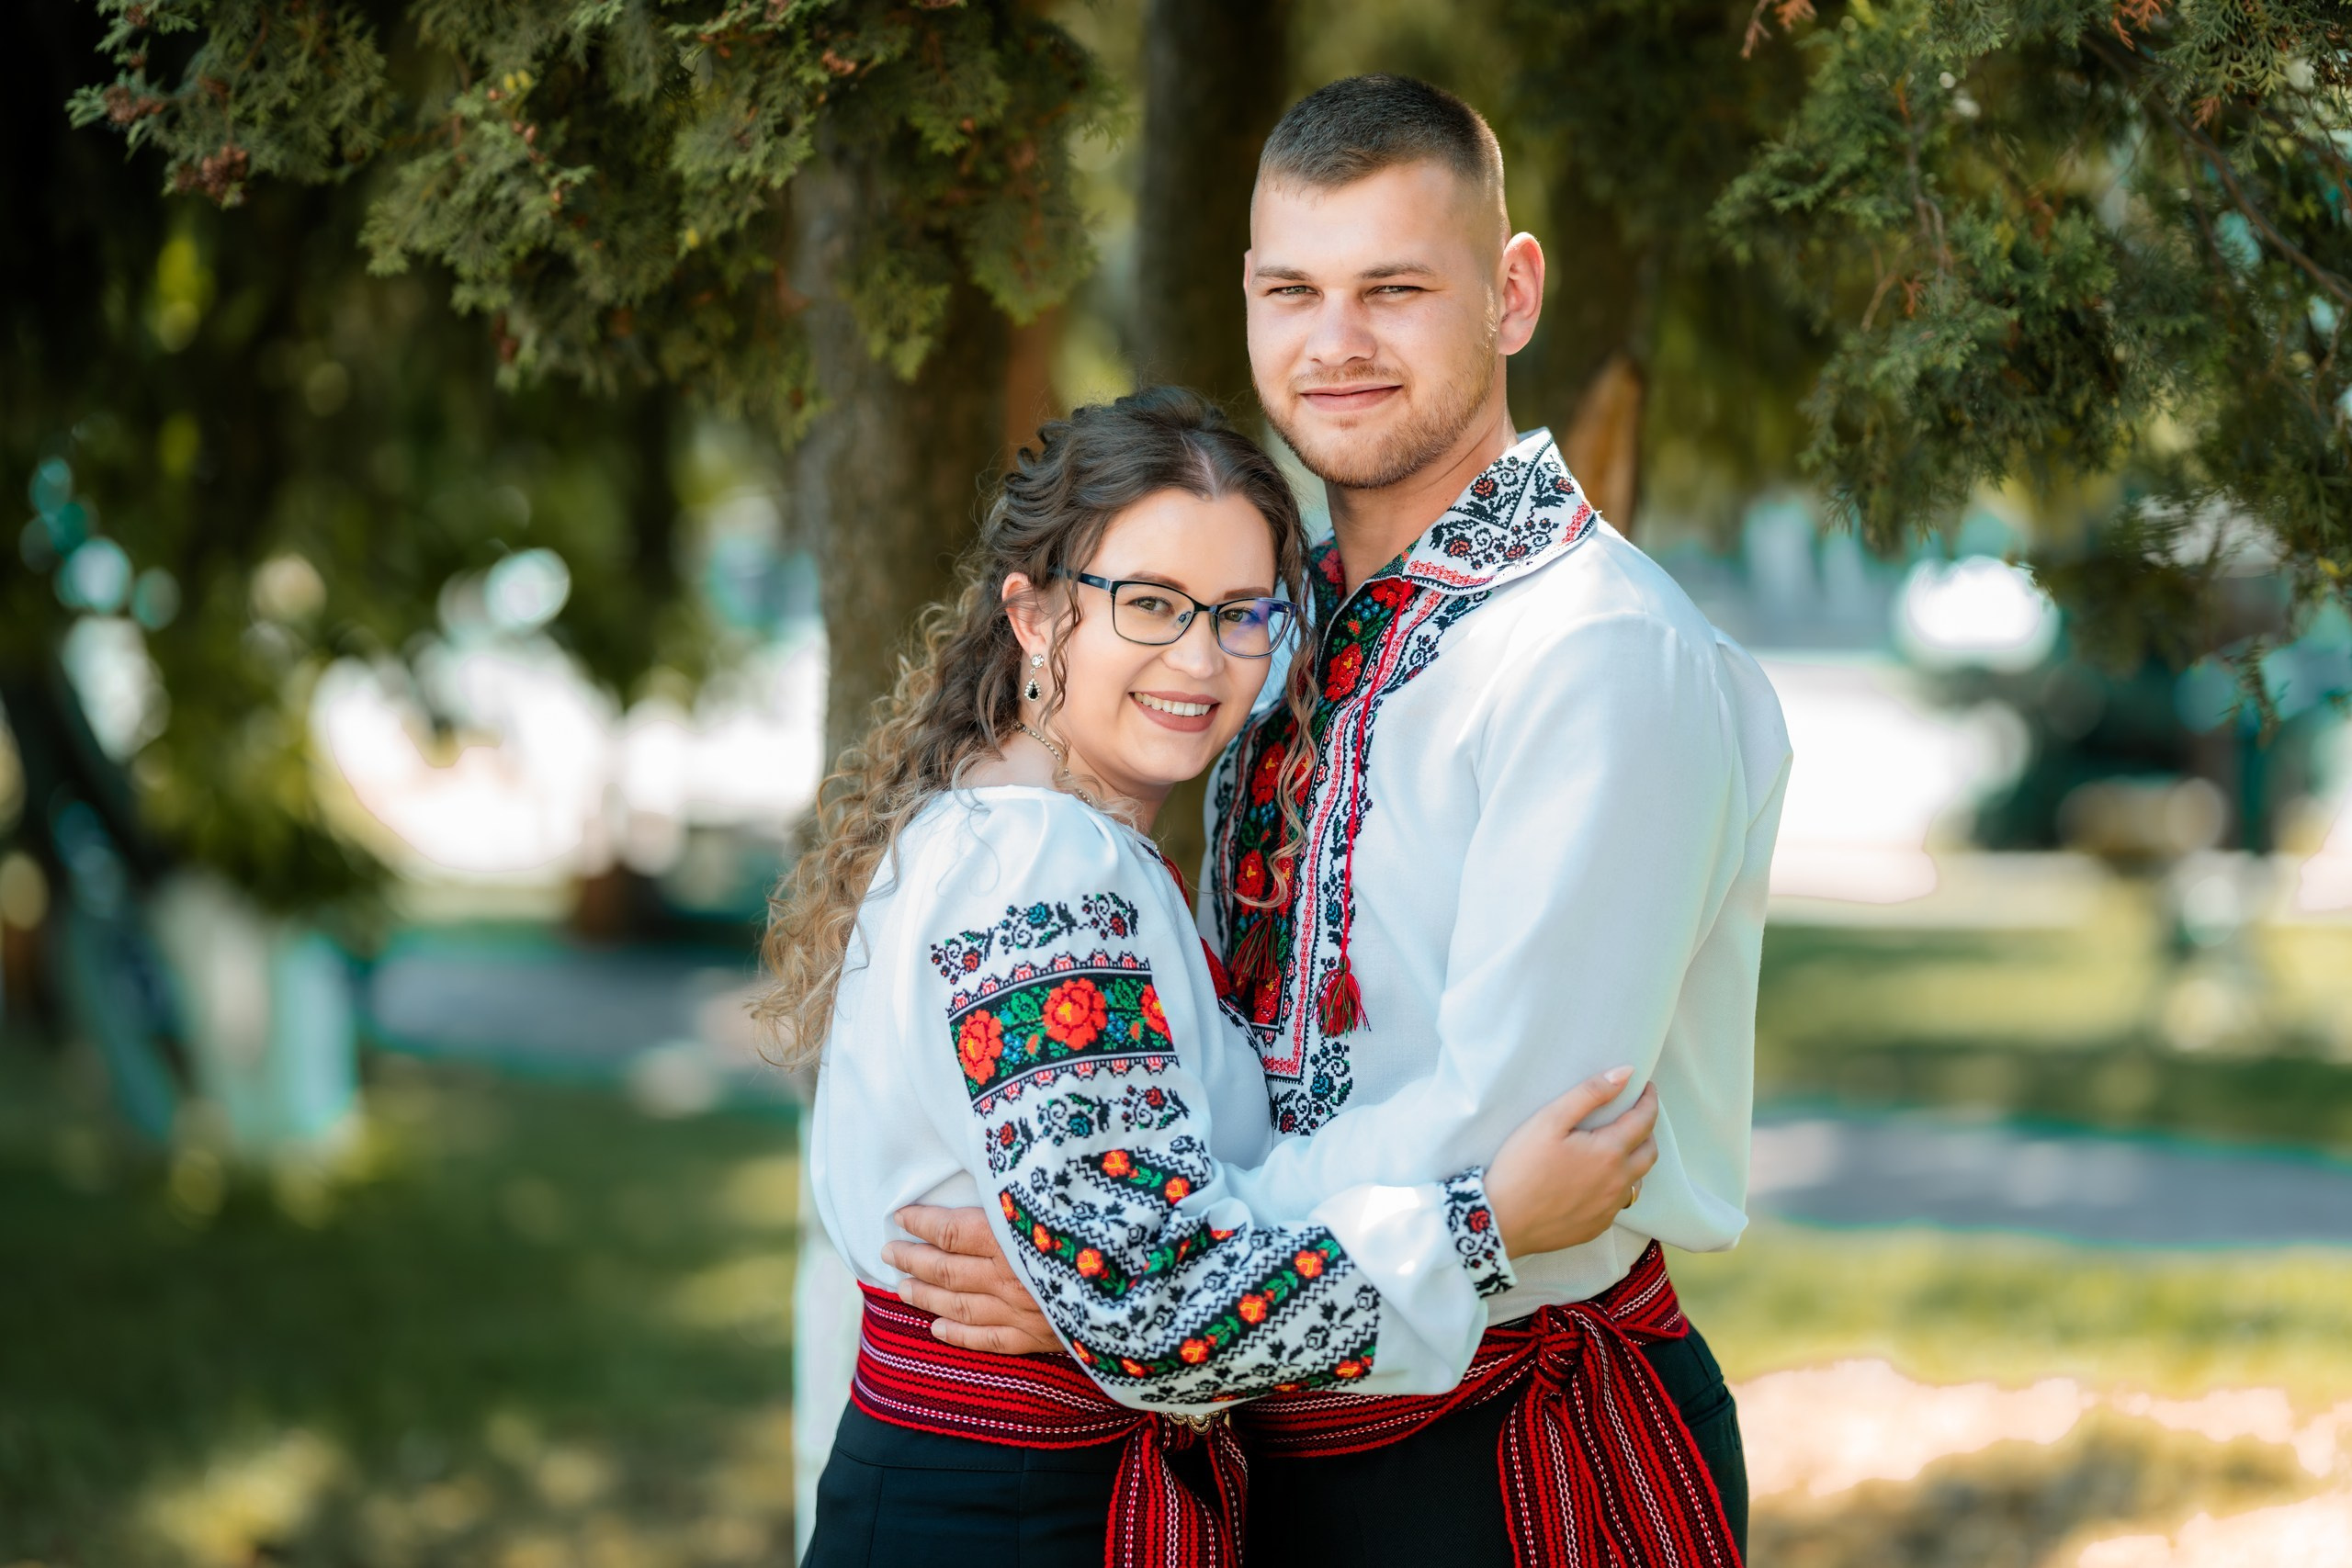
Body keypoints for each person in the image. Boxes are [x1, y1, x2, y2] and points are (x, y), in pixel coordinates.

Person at [887, 75, 1792, 1567]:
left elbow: (1520, 1154)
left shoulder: (1596, 651)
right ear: (1246, 295)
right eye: (1294, 289)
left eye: (1395, 288)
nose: (1337, 341)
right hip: (1257, 1409)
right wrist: (1136, 1273)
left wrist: (1139, 1264)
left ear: (1511, 294)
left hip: (1493, 1450)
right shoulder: (1266, 621)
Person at [763, 387, 1670, 1568]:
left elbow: (1115, 1283)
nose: (1200, 660)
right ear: (1034, 616)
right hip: (1016, 1517)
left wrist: (1090, 1309)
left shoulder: (1032, 831)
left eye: (1242, 614)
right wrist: (1487, 1226)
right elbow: (1146, 1301)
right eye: (1148, 604)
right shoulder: (1040, 867)